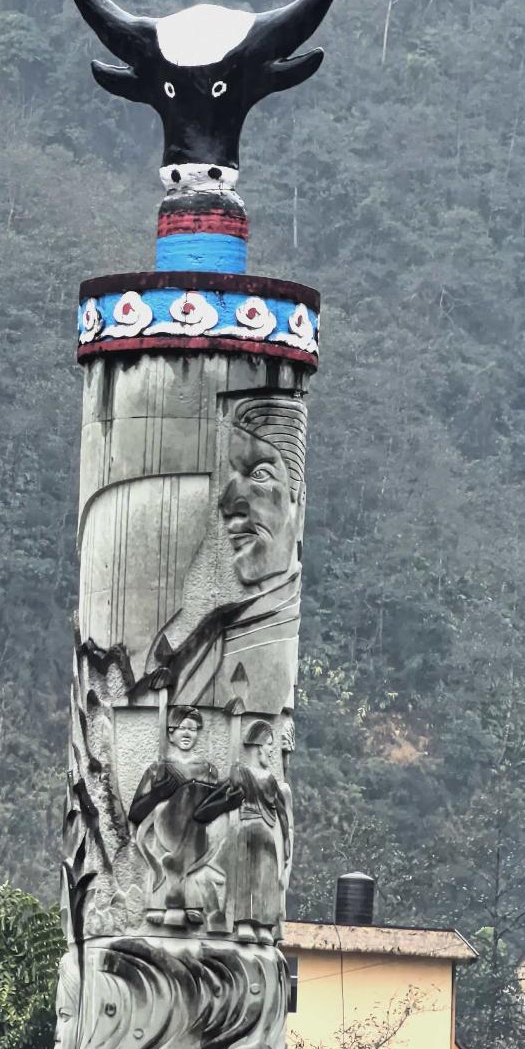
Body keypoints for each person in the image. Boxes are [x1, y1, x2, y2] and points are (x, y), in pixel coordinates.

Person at [138, 395, 307, 715]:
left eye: (259, 474)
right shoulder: (211, 631)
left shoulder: (274, 632)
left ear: (300, 503)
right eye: (229, 478)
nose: (229, 504)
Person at [127, 705, 238, 929]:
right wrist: (156, 795)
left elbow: (213, 805)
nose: (187, 733)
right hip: (165, 833)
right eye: (182, 728)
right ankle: (164, 902)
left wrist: (225, 803)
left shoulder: (208, 770)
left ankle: (192, 902)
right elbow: (135, 813)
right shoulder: (158, 769)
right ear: (170, 733)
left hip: (198, 839)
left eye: (193, 729)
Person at [224, 720, 291, 944]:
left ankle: (263, 924)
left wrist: (286, 842)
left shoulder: (267, 778)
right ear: (258, 745)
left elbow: (281, 811)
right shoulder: (242, 772)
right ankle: (247, 923)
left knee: (266, 878)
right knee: (248, 876)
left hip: (262, 833)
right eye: (269, 744)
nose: (271, 750)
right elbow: (230, 792)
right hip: (249, 830)